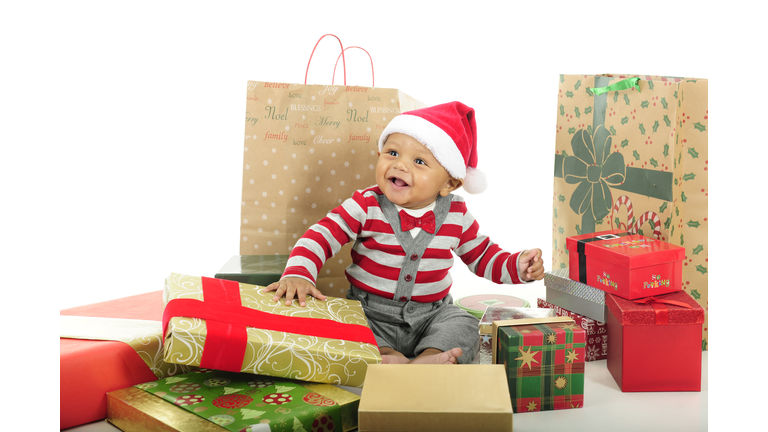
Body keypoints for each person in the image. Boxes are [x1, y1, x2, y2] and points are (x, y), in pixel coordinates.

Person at [264, 101, 544, 365]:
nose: (400, 165)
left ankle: (431, 355)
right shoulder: (366, 204)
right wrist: (299, 273)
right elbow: (321, 235)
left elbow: (482, 255)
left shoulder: (456, 214)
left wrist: (517, 266)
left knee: (465, 324)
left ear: (448, 183)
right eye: (393, 153)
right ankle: (386, 353)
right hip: (369, 312)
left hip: (432, 314)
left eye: (419, 162)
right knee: (343, 325)